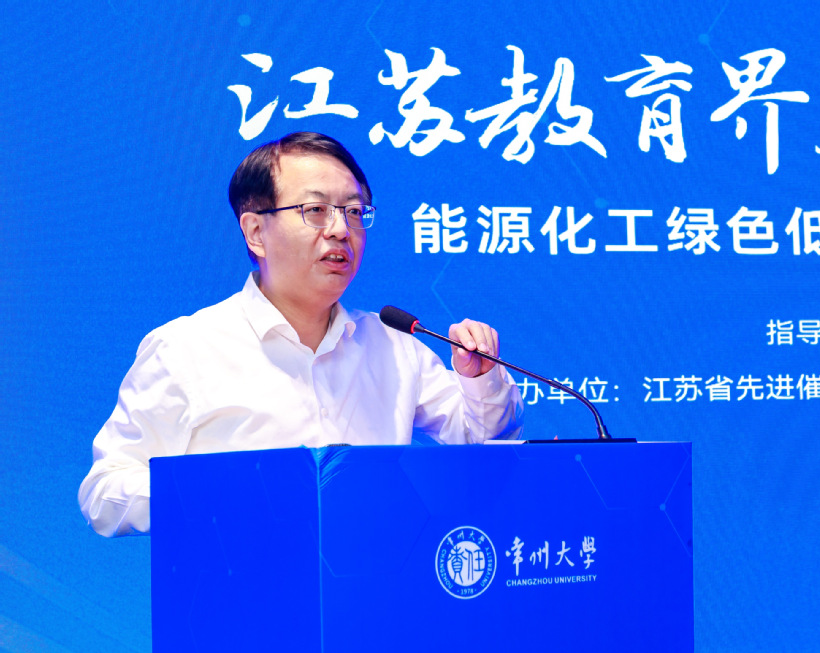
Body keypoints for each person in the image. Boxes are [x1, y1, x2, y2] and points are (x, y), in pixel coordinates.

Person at [79, 132, 524, 537]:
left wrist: (478, 376)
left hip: (375, 587)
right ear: (256, 232)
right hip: (243, 588)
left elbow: (485, 446)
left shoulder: (393, 346)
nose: (341, 230)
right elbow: (104, 492)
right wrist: (218, 496)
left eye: (354, 212)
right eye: (315, 210)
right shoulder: (186, 349)